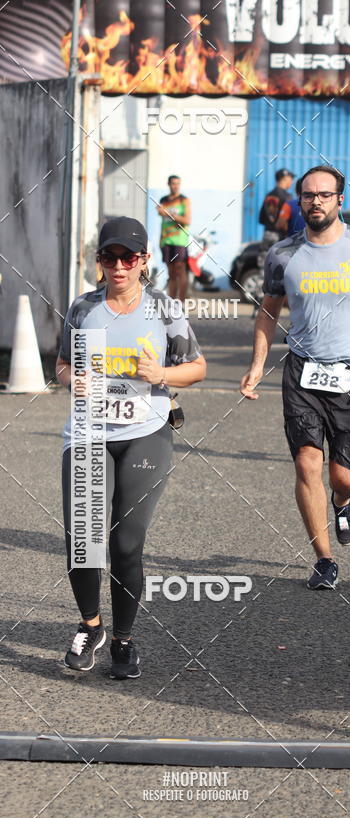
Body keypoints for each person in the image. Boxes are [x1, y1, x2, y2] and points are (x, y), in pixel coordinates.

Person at [240, 165, 350, 589]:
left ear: (339, 199)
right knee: (306, 462)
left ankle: (343, 500)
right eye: (309, 195)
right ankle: (324, 559)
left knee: (344, 475)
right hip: (302, 371)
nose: (316, 201)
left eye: (325, 194)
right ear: (301, 200)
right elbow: (268, 312)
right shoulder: (282, 254)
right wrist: (259, 362)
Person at [55, 217, 206, 679]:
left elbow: (197, 368)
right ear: (98, 261)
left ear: (143, 261)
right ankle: (90, 627)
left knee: (126, 542)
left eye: (128, 257)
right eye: (108, 257)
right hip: (87, 431)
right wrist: (70, 380)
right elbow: (61, 364)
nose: (118, 266)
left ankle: (123, 639)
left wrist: (161, 375)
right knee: (83, 541)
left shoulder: (163, 309)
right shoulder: (83, 308)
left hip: (145, 432)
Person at [157, 175, 192, 303]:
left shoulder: (184, 200)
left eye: (178, 183)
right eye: (173, 183)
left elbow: (187, 220)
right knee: (171, 273)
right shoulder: (164, 200)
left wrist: (168, 213)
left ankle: (181, 303)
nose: (175, 186)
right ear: (168, 184)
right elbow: (159, 212)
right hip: (165, 240)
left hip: (180, 241)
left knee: (180, 271)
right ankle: (172, 303)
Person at [258, 168, 295, 243]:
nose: (292, 182)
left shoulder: (269, 195)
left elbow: (261, 219)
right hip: (281, 238)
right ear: (285, 178)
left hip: (267, 235)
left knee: (266, 255)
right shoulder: (287, 197)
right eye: (291, 179)